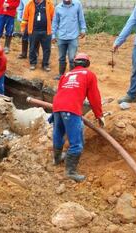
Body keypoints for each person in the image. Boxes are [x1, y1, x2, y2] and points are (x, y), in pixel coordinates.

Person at [51, 53, 104, 182]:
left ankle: (57, 159)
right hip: (71, 108)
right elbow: (94, 97)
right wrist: (99, 115)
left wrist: (54, 113)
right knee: (77, 143)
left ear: (74, 63)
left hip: (57, 106)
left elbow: (60, 92)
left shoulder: (66, 75)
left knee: (58, 133)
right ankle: (70, 172)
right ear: (87, 64)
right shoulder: (89, 75)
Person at [52, 0, 86, 80]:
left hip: (73, 37)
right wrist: (53, 35)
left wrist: (83, 29)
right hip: (61, 37)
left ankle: (72, 76)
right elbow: (55, 22)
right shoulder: (58, 8)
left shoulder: (77, 5)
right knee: (61, 57)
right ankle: (61, 74)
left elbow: (81, 18)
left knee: (72, 58)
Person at [21, 0, 55, 71]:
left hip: (46, 31)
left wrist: (53, 29)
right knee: (32, 48)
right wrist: (23, 28)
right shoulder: (29, 4)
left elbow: (53, 17)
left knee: (47, 49)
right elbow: (25, 18)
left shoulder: (49, 3)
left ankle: (45, 64)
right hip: (33, 31)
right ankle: (33, 63)